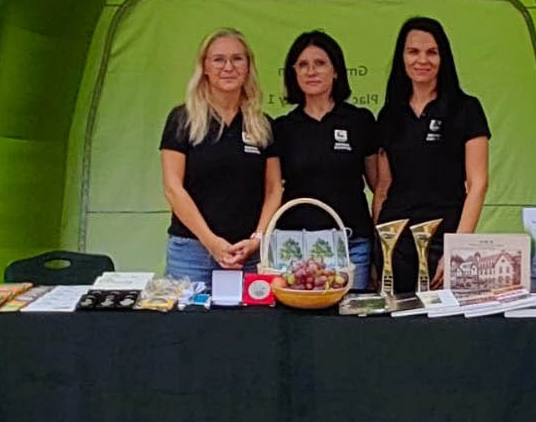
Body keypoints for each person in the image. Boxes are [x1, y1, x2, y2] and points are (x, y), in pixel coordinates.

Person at [373, 15, 490, 295]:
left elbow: (478, 184)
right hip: (396, 243)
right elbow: (383, 188)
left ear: (443, 57)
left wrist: (457, 250)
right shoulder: (389, 115)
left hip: (443, 239)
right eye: (413, 51)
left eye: (432, 52)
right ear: (402, 57)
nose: (422, 60)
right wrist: (380, 250)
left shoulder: (466, 109)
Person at [160, 29, 282, 285]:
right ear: (204, 67)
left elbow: (273, 189)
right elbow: (173, 188)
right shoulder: (182, 119)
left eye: (237, 59)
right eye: (218, 59)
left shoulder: (263, 124)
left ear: (248, 66)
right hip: (192, 253)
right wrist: (211, 242)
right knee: (187, 314)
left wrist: (258, 239)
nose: (228, 67)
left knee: (250, 314)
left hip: (250, 255)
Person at [272, 30, 380, 290]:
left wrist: (380, 248)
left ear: (336, 71)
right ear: (293, 73)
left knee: (349, 315)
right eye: (303, 65)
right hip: (295, 248)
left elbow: (379, 186)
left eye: (320, 63)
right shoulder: (282, 127)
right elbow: (272, 190)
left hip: (351, 245)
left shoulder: (360, 120)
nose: (311, 71)